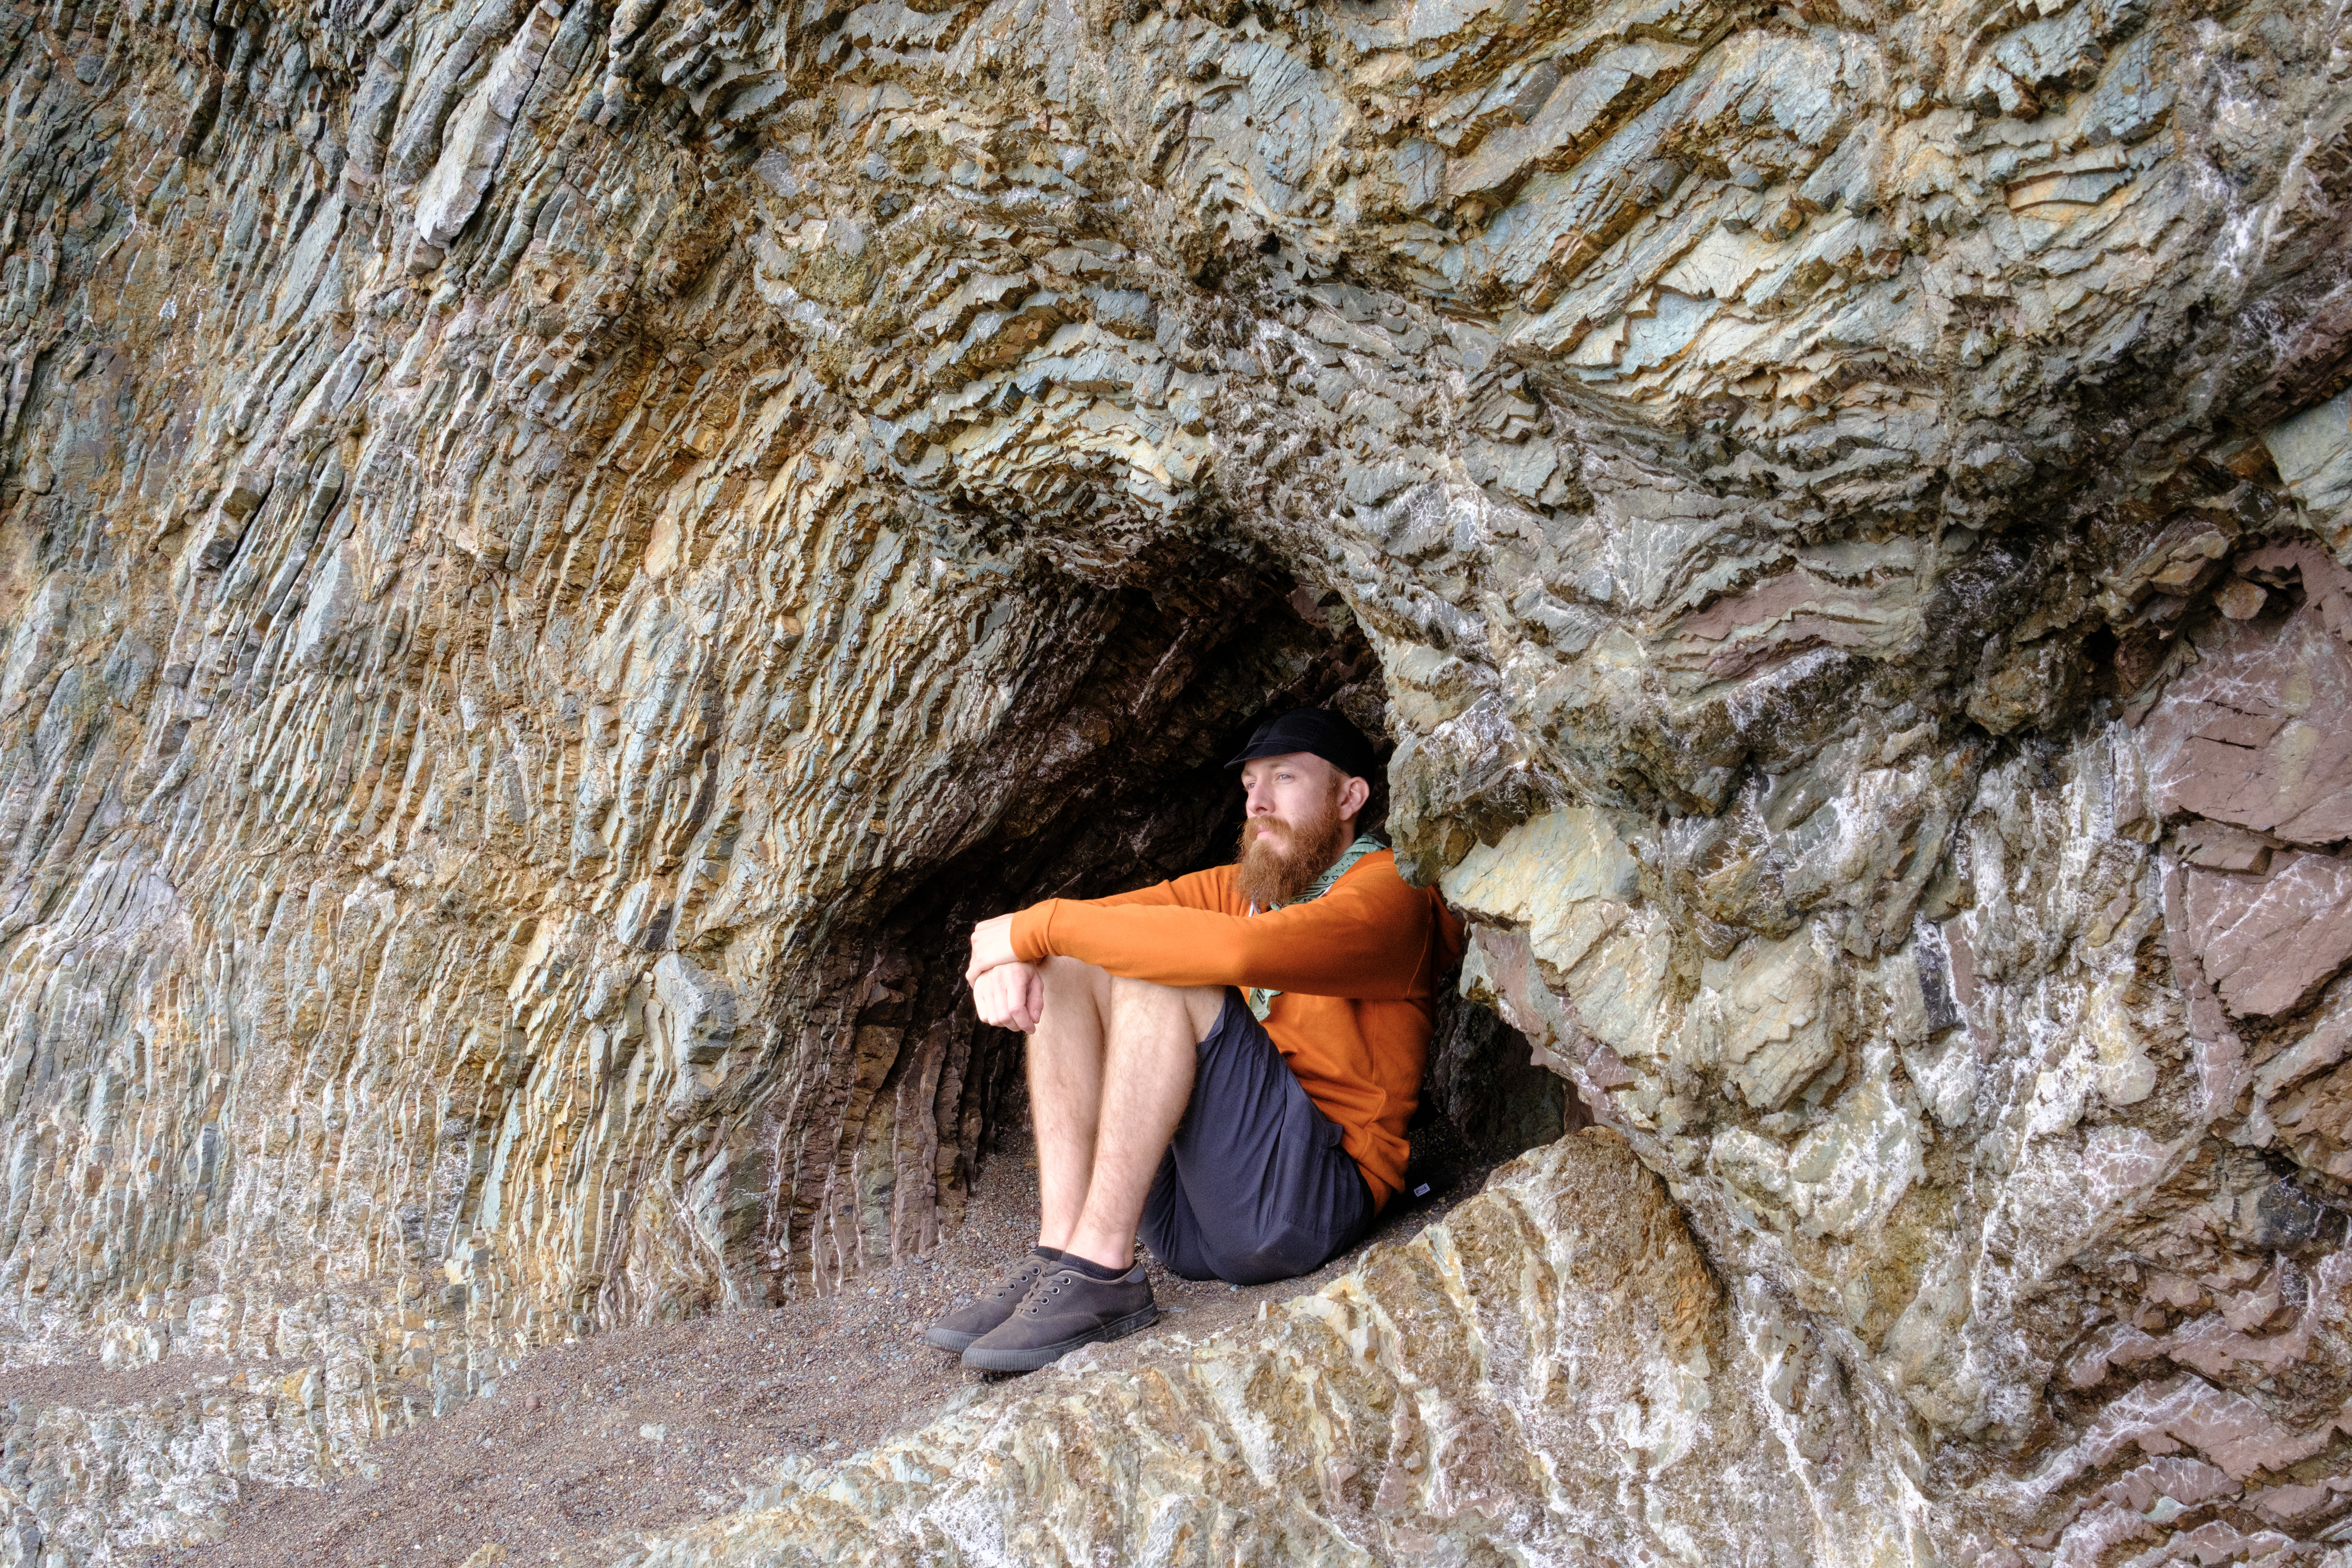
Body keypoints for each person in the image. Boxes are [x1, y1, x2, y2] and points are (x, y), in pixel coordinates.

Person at [926, 707, 1463, 1373]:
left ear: (1349, 796)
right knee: (1070, 965)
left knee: (1165, 973)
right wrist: (1018, 946)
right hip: (1196, 1215)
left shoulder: (1391, 893)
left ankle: (1102, 1266)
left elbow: (1239, 955)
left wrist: (1030, 928)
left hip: (1307, 1200)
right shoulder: (1242, 890)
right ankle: (1062, 1254)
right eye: (1249, 786)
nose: (1258, 803)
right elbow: (1100, 924)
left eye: (1285, 778)